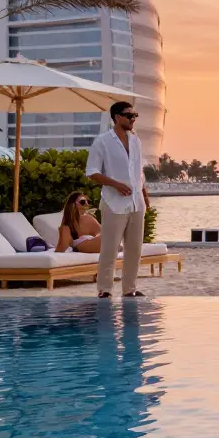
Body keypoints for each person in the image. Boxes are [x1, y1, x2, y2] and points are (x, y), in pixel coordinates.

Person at [85, 102, 150, 298]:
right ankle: (104, 289)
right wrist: (116, 184)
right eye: (128, 115)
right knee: (110, 249)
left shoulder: (136, 141)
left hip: (136, 203)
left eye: (134, 115)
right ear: (116, 117)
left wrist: (145, 195)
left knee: (135, 249)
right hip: (114, 203)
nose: (133, 119)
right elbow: (92, 172)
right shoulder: (102, 142)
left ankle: (129, 289)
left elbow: (139, 172)